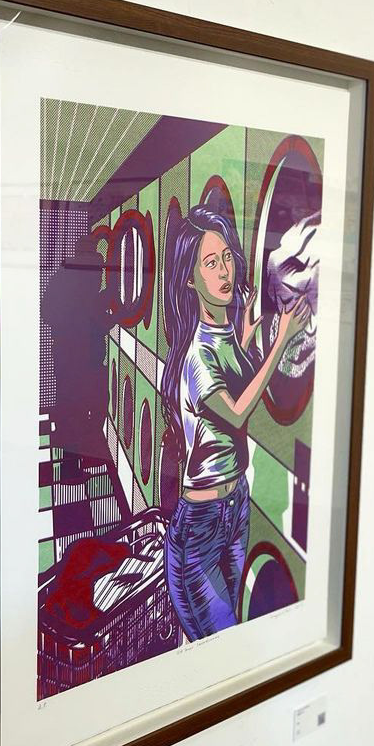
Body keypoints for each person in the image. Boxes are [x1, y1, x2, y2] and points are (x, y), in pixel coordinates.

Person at [160, 204, 309, 640]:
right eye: (210, 263)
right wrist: (281, 341)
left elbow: (234, 377)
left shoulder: (225, 335)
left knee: (235, 632)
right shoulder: (196, 355)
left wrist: (244, 340)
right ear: (189, 279)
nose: (225, 270)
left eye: (227, 256)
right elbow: (238, 413)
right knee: (223, 642)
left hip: (235, 505)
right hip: (200, 529)